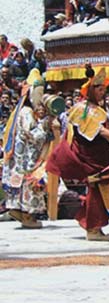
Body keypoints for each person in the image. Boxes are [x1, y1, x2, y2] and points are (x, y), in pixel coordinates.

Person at [46, 67, 109, 241]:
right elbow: (99, 130)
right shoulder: (83, 109)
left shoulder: (96, 108)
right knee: (95, 189)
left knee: (99, 189)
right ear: (90, 89)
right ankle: (93, 228)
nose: (103, 93)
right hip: (90, 155)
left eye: (104, 89)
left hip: (99, 153)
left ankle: (96, 226)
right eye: (99, 89)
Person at [1, 69, 58, 229]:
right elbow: (33, 135)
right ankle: (26, 214)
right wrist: (46, 127)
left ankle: (20, 212)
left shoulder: (27, 112)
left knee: (25, 184)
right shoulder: (26, 112)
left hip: (25, 156)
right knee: (29, 184)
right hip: (25, 158)